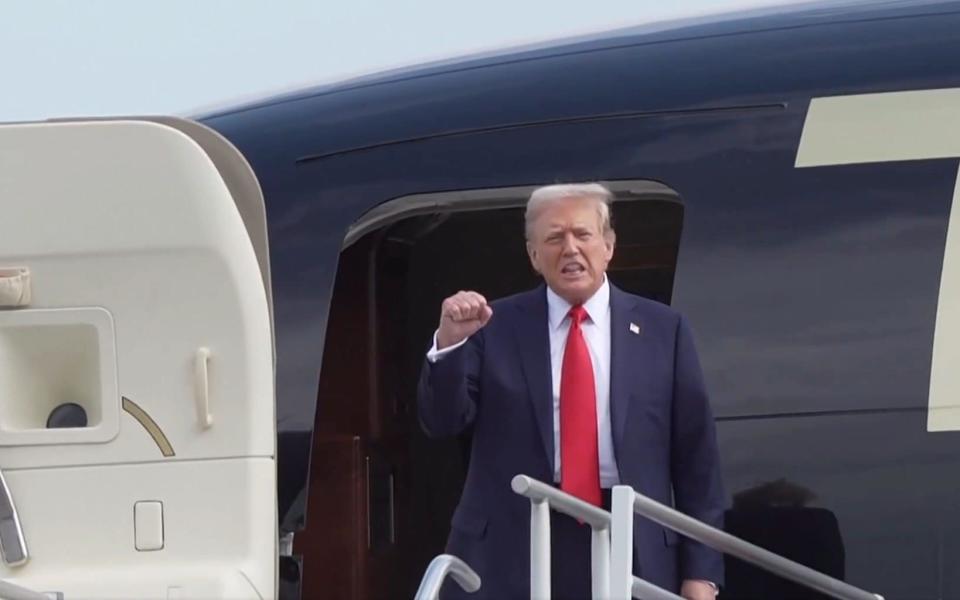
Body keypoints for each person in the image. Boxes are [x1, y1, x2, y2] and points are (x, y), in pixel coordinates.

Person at [417, 183, 725, 599]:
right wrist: (450, 342)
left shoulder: (663, 330)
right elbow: (441, 422)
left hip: (631, 544)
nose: (570, 248)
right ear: (533, 256)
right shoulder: (494, 325)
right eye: (554, 238)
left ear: (609, 246)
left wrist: (701, 575)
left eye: (583, 234)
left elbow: (697, 462)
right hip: (515, 546)